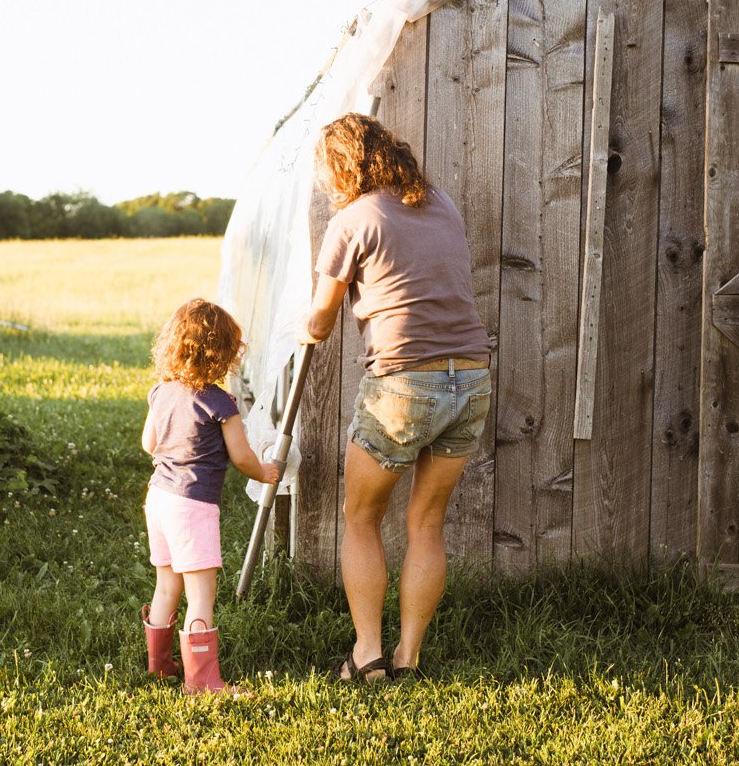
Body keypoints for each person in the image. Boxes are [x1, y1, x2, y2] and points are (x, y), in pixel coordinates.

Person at [302, 112, 492, 682]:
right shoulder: (441, 204)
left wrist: (306, 327)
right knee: (426, 522)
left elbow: (321, 319)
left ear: (343, 167)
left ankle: (367, 656)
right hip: (471, 378)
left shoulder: (353, 219)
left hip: (404, 384)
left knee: (361, 516)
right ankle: (409, 656)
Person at [139, 298, 279, 694]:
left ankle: (160, 666)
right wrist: (265, 472)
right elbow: (242, 456)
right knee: (201, 594)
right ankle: (201, 682)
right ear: (223, 355)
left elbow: (149, 444)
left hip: (159, 498)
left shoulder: (160, 392)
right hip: (192, 506)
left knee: (166, 586)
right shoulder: (219, 402)